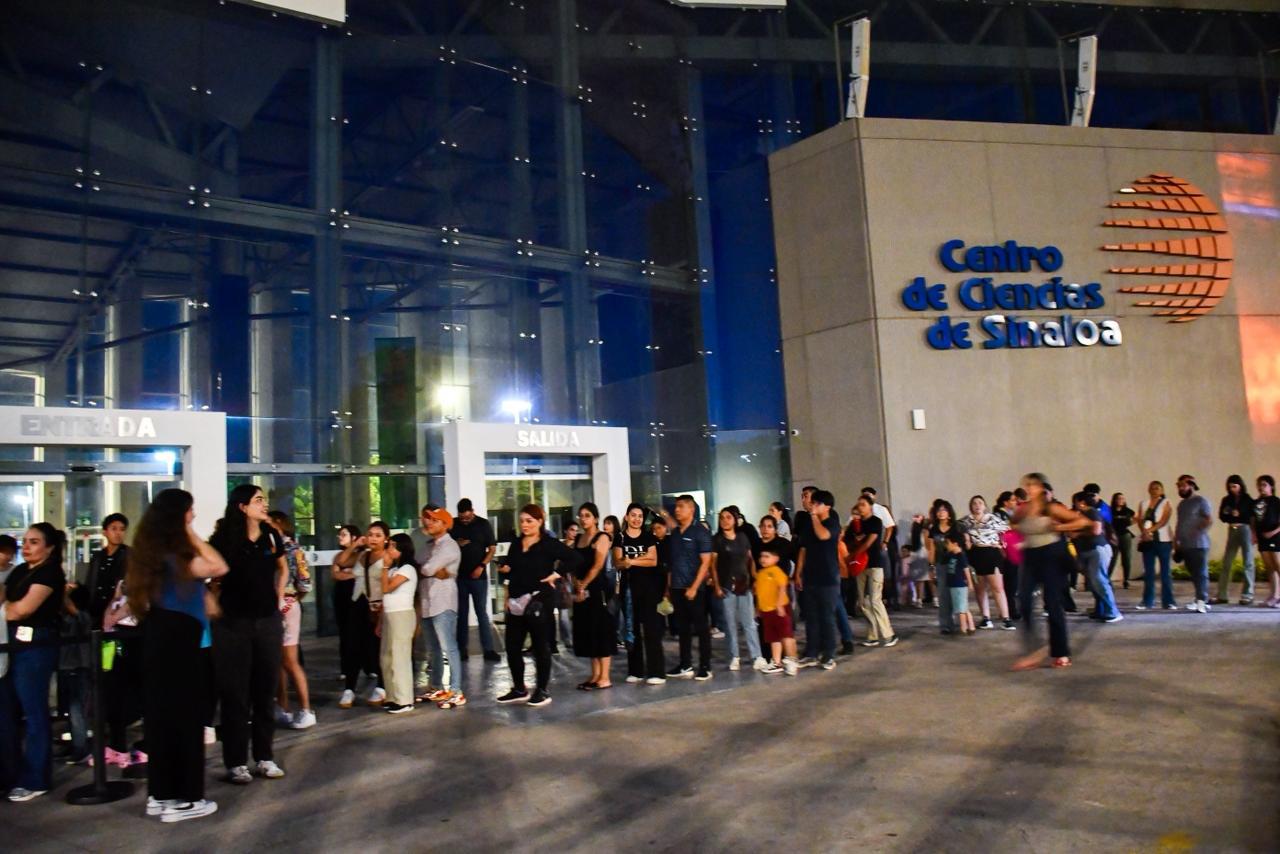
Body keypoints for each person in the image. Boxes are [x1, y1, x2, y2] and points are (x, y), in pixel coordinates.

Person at [125, 489, 227, 822]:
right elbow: (218, 565)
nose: (194, 516)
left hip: (158, 634)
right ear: (177, 516)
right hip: (180, 638)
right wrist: (191, 534)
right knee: (186, 717)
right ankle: (186, 798)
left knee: (161, 718)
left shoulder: (149, 553)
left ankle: (160, 793)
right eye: (190, 511)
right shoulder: (177, 555)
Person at [209, 484, 288, 784]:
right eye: (258, 500)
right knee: (235, 695)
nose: (264, 504)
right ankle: (236, 762)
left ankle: (264, 757)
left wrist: (278, 596)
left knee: (265, 691)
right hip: (233, 624)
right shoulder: (225, 539)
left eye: (264, 500)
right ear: (242, 506)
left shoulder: (271, 535)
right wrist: (216, 604)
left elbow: (283, 567)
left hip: (267, 621)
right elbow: (215, 578)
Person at [66, 512, 141, 768]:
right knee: (104, 682)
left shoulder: (129, 556)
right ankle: (113, 740)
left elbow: (129, 591)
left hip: (120, 629)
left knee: (117, 682)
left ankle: (120, 739)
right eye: (114, 528)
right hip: (99, 626)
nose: (118, 533)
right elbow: (92, 588)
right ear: (105, 531)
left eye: (122, 528)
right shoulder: (98, 557)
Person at [0, 523, 68, 802]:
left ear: (49, 547)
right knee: (8, 713)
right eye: (25, 541)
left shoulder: (51, 573)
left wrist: (6, 609)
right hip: (12, 645)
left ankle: (36, 778)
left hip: (37, 646)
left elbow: (22, 609)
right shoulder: (19, 571)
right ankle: (10, 774)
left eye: (34, 542)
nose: (26, 546)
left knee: (34, 712)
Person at [496, 504, 583, 706]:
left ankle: (542, 690)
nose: (524, 525)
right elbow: (511, 567)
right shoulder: (517, 543)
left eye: (529, 521)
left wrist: (557, 574)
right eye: (522, 521)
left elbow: (575, 558)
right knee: (512, 647)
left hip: (538, 600)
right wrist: (507, 586)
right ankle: (519, 688)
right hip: (516, 600)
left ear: (540, 521)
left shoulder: (548, 543)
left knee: (540, 646)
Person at [1011, 474, 1090, 671]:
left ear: (1040, 487)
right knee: (1025, 602)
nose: (1028, 488)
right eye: (1026, 485)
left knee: (1053, 603)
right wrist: (1019, 536)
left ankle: (1061, 652)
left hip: (1052, 555)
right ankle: (1034, 649)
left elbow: (1083, 522)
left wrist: (1060, 527)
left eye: (1032, 485)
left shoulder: (1051, 507)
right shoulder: (1024, 509)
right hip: (1031, 555)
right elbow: (1013, 524)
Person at [267, 511, 314, 730]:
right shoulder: (269, 546)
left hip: (285, 605)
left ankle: (305, 709)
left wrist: (290, 599)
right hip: (272, 605)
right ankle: (282, 706)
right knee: (277, 660)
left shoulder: (290, 549)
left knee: (289, 659)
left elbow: (304, 582)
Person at [661, 496, 715, 680]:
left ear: (691, 509)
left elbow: (706, 562)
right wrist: (668, 588)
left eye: (681, 507)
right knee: (682, 628)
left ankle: (705, 666)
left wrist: (694, 587)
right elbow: (672, 562)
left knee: (701, 628)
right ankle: (685, 664)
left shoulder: (701, 532)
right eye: (676, 507)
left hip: (694, 589)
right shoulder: (675, 534)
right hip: (676, 587)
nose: (677, 510)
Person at [416, 506, 464, 709]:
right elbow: (418, 563)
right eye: (427, 519)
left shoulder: (449, 546)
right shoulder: (429, 545)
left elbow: (426, 568)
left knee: (448, 647)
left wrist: (430, 570)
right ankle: (437, 686)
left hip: (443, 601)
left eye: (434, 520)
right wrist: (433, 570)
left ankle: (456, 690)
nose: (429, 523)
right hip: (427, 600)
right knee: (432, 648)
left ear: (445, 524)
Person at [614, 504, 664, 685]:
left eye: (640, 516)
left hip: (649, 589)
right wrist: (637, 560)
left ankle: (657, 672)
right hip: (628, 590)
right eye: (633, 515)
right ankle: (635, 670)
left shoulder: (648, 536)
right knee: (631, 629)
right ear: (627, 517)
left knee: (652, 629)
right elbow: (618, 562)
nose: (637, 519)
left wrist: (632, 561)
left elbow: (654, 561)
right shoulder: (619, 537)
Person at [710, 508, 764, 672]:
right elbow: (713, 565)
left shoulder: (742, 538)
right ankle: (734, 656)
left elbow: (750, 559)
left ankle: (756, 655)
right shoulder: (717, 540)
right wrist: (717, 586)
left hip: (744, 584)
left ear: (735, 520)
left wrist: (754, 579)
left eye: (728, 517)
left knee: (749, 623)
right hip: (727, 585)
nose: (725, 521)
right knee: (730, 624)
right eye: (722, 518)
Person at [572, 503, 616, 690]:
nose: (583, 519)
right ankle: (595, 674)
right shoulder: (579, 538)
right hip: (582, 591)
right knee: (589, 632)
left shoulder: (602, 537)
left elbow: (598, 565)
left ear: (596, 518)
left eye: (587, 515)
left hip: (598, 590)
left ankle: (605, 676)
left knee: (601, 632)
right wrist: (577, 585)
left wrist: (584, 584)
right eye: (581, 515)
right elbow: (572, 564)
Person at [451, 499, 500, 663]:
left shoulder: (483, 524)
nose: (464, 520)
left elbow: (492, 549)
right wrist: (456, 544)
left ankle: (488, 649)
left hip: (478, 577)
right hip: (459, 577)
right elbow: (446, 546)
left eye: (467, 517)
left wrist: (481, 566)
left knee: (481, 613)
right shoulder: (453, 524)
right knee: (462, 614)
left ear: (472, 511)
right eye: (462, 517)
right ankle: (461, 649)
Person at [796, 489, 841, 670]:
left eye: (817, 503)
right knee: (811, 617)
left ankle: (829, 654)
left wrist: (814, 517)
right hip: (810, 577)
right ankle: (812, 652)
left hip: (828, 577)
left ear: (827, 506)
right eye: (812, 503)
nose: (813, 506)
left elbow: (823, 536)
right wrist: (798, 572)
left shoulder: (832, 523)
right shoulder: (808, 525)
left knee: (827, 617)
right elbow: (804, 549)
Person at [848, 495, 898, 648]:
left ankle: (888, 634)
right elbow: (849, 539)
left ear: (870, 506)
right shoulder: (855, 524)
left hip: (874, 563)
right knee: (863, 602)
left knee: (875, 600)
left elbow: (870, 541)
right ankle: (873, 634)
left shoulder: (876, 521)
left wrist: (854, 553)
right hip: (860, 566)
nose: (860, 507)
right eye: (859, 505)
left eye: (863, 504)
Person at [378, 533, 418, 714]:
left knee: (400, 658)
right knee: (386, 658)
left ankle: (405, 700)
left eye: (393, 546)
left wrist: (385, 566)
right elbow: (384, 593)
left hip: (401, 615)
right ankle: (392, 696)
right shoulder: (394, 569)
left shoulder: (408, 569)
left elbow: (387, 588)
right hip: (389, 615)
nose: (389, 549)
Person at [961, 496, 1014, 630]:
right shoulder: (966, 521)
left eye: (980, 503)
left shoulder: (993, 518)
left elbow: (1009, 530)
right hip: (975, 554)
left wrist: (1002, 544)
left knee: (998, 588)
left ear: (985, 506)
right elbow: (958, 531)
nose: (977, 505)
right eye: (974, 503)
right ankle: (986, 618)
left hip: (992, 553)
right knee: (980, 589)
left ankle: (1006, 618)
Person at [1071, 493, 1121, 623]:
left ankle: (1113, 612)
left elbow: (1096, 530)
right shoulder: (1083, 514)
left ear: (1082, 502)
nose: (1075, 505)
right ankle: (1101, 610)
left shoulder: (1091, 512)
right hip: (1089, 550)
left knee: (1100, 581)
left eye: (1076, 502)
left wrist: (1077, 533)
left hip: (1097, 550)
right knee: (1094, 582)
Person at [754, 544, 797, 675]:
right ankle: (776, 662)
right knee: (773, 638)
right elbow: (759, 593)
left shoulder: (776, 571)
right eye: (761, 556)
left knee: (786, 635)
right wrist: (757, 609)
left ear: (776, 558)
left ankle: (792, 660)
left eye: (767, 556)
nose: (763, 559)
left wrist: (779, 604)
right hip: (766, 611)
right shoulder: (760, 573)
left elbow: (782, 587)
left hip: (779, 609)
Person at [1174, 475, 1214, 614]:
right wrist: (1176, 540)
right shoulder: (1182, 504)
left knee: (1201, 572)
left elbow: (1209, 519)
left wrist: (1198, 531)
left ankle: (1203, 601)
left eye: (1183, 485)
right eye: (1179, 486)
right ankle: (1198, 599)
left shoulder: (1201, 501)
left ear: (1191, 485)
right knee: (1193, 574)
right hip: (1185, 544)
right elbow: (1179, 523)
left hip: (1199, 544)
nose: (1180, 488)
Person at [1136, 481, 1176, 611]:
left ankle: (1168, 601)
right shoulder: (1143, 504)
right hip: (1148, 541)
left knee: (1165, 572)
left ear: (1162, 491)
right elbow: (1140, 520)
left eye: (1157, 488)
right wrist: (1144, 532)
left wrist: (1150, 530)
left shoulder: (1166, 503)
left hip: (1163, 541)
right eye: (1152, 488)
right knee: (1149, 572)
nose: (1154, 491)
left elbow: (1164, 520)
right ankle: (1147, 600)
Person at [1216, 475, 1255, 605]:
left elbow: (1251, 515)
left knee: (1248, 561)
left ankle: (1247, 594)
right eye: (1230, 487)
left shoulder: (1247, 499)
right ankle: (1222, 594)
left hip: (1245, 528)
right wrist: (1230, 515)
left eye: (1235, 486)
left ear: (1240, 486)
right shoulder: (1227, 500)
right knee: (1227, 561)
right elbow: (1222, 515)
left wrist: (1241, 515)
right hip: (1232, 528)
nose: (1233, 489)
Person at [330, 524, 362, 684]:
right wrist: (349, 573)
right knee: (344, 631)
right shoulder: (339, 555)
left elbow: (358, 574)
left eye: (344, 534)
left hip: (356, 594)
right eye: (339, 534)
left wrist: (348, 572)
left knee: (359, 631)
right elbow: (335, 574)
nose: (340, 537)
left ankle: (368, 666)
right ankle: (345, 667)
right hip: (340, 596)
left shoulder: (362, 555)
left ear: (354, 537)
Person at [926, 501, 962, 635]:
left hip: (955, 564)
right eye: (939, 510)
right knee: (943, 594)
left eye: (944, 510)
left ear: (949, 513)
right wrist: (931, 566)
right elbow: (931, 549)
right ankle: (945, 624)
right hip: (941, 564)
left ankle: (960, 622)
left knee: (956, 594)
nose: (941, 513)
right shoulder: (933, 529)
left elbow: (960, 547)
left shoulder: (955, 527)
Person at [861, 487, 900, 611]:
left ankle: (890, 599)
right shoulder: (860, 510)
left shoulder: (880, 510)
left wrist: (885, 542)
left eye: (869, 495)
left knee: (886, 574)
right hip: (865, 548)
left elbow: (889, 526)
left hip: (878, 546)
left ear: (874, 496)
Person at [1253, 475, 1280, 607]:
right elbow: (1253, 520)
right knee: (1269, 568)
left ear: (1271, 486)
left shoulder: (1276, 501)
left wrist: (1272, 532)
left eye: (1264, 485)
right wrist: (1254, 535)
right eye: (1259, 485)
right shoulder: (1257, 502)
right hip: (1262, 537)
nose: (1261, 487)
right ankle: (1273, 595)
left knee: (1278, 566)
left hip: (1275, 537)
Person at [1110, 493, 1136, 589]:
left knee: (1126, 558)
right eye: (1119, 498)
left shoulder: (1128, 511)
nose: (1121, 500)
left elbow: (1136, 519)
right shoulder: (1110, 511)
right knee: (1112, 558)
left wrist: (1131, 527)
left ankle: (1126, 579)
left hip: (1125, 535)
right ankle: (1108, 578)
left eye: (1122, 499)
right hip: (1114, 536)